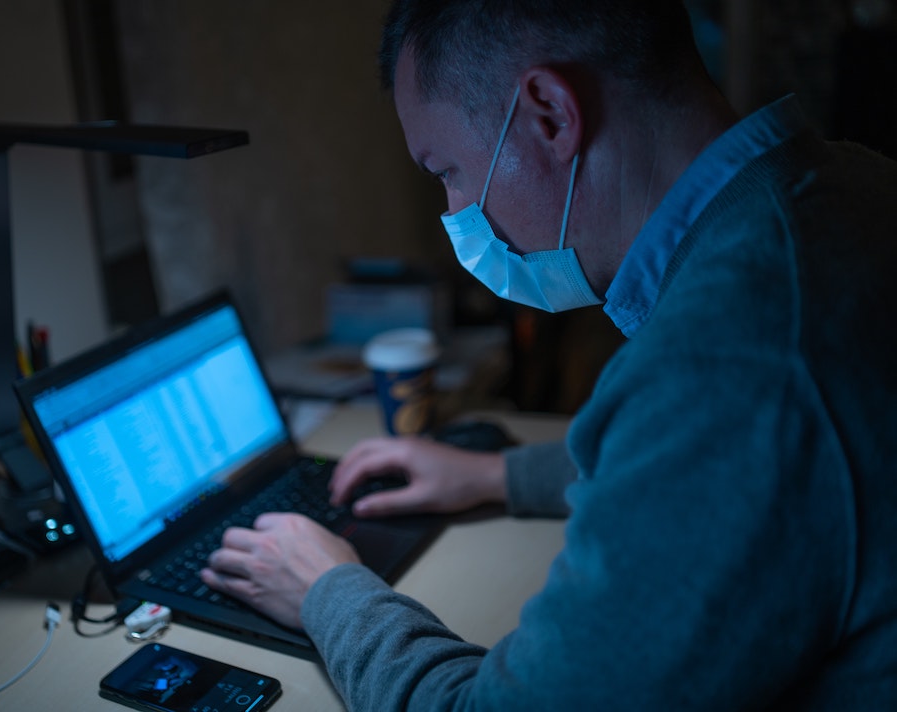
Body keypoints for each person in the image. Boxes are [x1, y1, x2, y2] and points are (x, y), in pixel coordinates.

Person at [202, 0, 897, 708]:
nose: (453, 214)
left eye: (447, 171)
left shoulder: (732, 360)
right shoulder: (853, 186)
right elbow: (721, 459)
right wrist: (495, 473)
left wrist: (327, 588)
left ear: (551, 115)